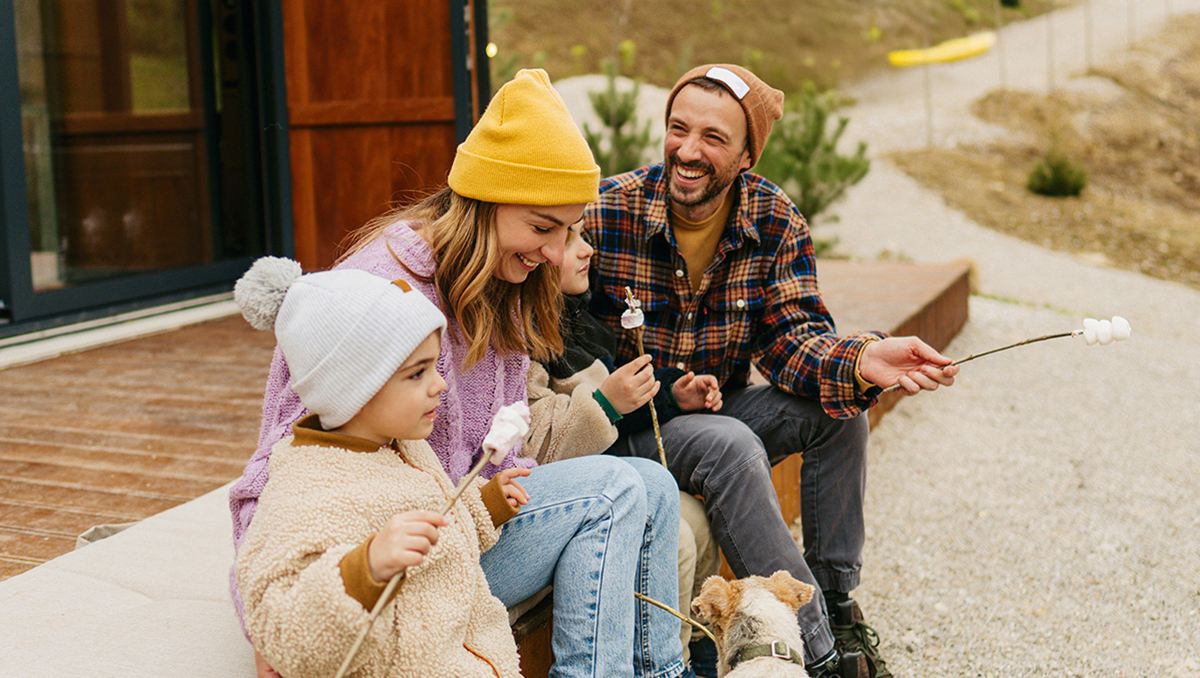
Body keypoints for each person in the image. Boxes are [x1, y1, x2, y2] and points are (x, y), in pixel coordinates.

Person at [230, 69, 689, 678]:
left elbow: (506, 442)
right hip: (398, 560)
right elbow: (285, 476)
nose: (556, 252)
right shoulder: (378, 298)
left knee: (649, 483)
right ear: (484, 204)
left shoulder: (501, 287)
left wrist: (521, 473)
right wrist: (276, 631)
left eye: (570, 230)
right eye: (542, 227)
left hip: (462, 522)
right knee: (615, 489)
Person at [584, 64, 959, 678]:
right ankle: (818, 653)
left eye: (713, 138)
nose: (688, 150)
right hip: (630, 423)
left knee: (838, 414)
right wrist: (656, 384)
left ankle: (834, 603)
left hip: (718, 408)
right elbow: (566, 338)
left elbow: (791, 344)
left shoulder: (774, 219)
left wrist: (862, 359)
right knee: (728, 443)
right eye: (679, 129)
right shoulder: (607, 213)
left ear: (746, 155)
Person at [233, 258, 531, 676]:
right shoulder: (306, 490)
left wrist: (486, 506)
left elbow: (439, 532)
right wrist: (364, 569)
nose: (440, 383)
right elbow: (281, 624)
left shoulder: (403, 447)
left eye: (434, 366)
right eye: (417, 374)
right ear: (354, 388)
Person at [523, 220, 724, 661]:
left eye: (583, 235)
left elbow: (618, 411)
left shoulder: (581, 319)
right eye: (571, 239)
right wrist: (606, 402)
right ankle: (662, 663)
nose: (587, 250)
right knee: (679, 541)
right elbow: (549, 437)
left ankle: (703, 652)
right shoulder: (527, 336)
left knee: (698, 520)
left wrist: (671, 392)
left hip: (614, 475)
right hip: (574, 495)